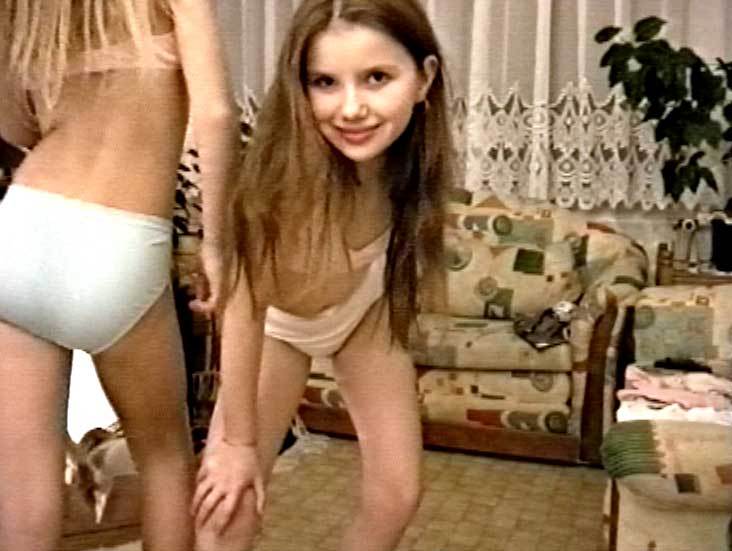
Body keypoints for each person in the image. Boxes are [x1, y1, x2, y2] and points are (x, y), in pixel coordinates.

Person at [192, 1, 453, 550]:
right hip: (277, 329)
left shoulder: (410, 163)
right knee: (228, 509)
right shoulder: (287, 184)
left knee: (398, 495)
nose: (351, 108)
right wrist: (236, 444)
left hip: (364, 317)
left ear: (424, 79)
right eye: (325, 83)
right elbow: (243, 306)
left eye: (376, 78)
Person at [0, 1, 238, 549]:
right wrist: (217, 245)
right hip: (121, 236)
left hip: (23, 226)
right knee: (165, 458)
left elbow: (14, 125)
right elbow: (217, 115)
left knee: (24, 486)